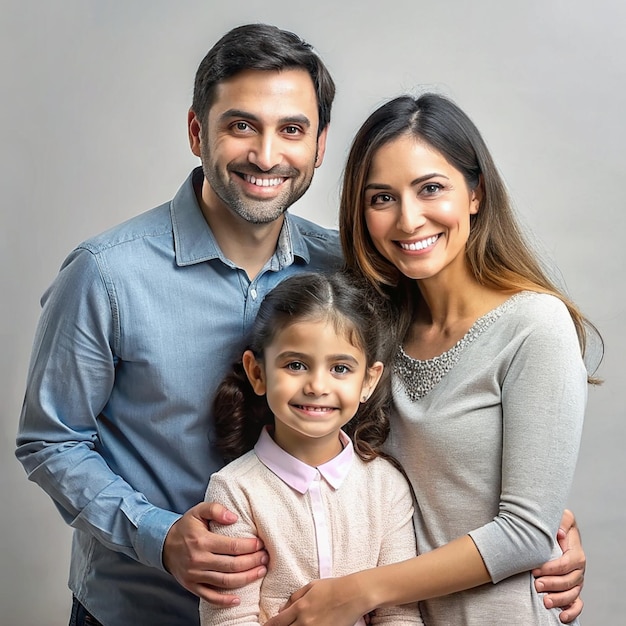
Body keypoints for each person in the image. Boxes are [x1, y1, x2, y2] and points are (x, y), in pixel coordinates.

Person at [14, 23, 585, 626]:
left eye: (291, 129)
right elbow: (51, 440)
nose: (266, 154)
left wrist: (538, 527)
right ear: (195, 132)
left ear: (318, 145)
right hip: (141, 610)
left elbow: (441, 428)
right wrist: (158, 535)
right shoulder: (106, 274)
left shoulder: (354, 274)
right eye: (241, 125)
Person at [264, 93, 600, 626]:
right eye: (381, 198)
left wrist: (358, 591)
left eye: (431, 188)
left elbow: (527, 533)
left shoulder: (535, 325)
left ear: (475, 193)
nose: (408, 219)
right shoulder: (370, 332)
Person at [200, 271, 423, 625]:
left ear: (368, 380)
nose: (318, 385)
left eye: (340, 368)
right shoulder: (235, 490)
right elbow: (227, 617)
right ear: (257, 374)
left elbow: (400, 613)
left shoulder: (387, 487)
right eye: (296, 365)